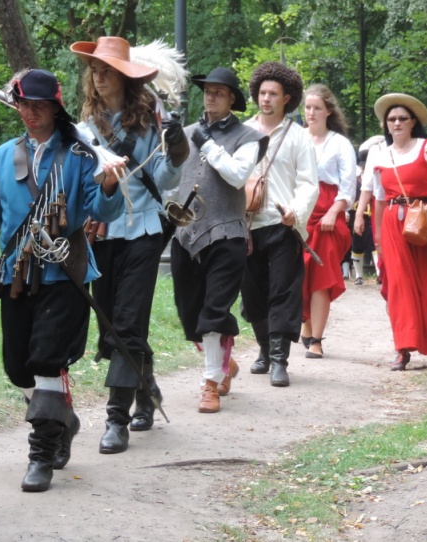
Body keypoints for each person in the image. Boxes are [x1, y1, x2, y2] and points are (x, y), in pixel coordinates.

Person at [0, 68, 124, 492]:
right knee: (15, 367)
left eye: (39, 105)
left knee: (46, 359)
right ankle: (60, 416)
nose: (30, 112)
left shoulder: (81, 156)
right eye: (23, 104)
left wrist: (112, 184)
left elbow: (105, 211)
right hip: (15, 272)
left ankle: (41, 454)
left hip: (66, 272)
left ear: (55, 108)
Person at [70, 36, 188, 450]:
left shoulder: (150, 124)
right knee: (110, 329)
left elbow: (166, 181)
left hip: (143, 232)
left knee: (127, 322)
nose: (99, 78)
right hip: (101, 234)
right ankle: (147, 389)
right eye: (95, 71)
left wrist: (175, 152)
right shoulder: (84, 130)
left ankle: (116, 418)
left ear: (123, 76)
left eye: (106, 71)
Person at [171, 67, 267, 413]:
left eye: (218, 92)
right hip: (185, 234)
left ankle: (210, 383)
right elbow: (169, 179)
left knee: (213, 311)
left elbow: (238, 175)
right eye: (207, 91)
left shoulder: (249, 137)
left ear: (231, 100)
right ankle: (223, 361)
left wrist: (208, 145)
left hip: (227, 233)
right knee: (189, 314)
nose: (210, 96)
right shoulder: (185, 133)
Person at [361, 93, 427, 370]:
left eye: (401, 119)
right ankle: (403, 348)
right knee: (399, 285)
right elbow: (377, 195)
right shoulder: (379, 153)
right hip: (394, 221)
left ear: (412, 121)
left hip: (425, 220)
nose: (396, 123)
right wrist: (374, 233)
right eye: (391, 119)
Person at [241, 62, 318, 386]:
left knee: (283, 293)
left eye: (273, 93)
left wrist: (296, 213)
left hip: (283, 224)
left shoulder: (299, 136)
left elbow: (308, 183)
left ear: (287, 98)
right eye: (262, 92)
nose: (266, 99)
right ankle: (262, 347)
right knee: (253, 293)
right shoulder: (241, 132)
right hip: (246, 226)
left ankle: (279, 359)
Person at [298, 84, 354, 359]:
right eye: (307, 107)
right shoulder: (296, 137)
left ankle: (317, 339)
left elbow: (347, 186)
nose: (311, 112)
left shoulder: (340, 143)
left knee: (320, 277)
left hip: (329, 214)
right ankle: (306, 329)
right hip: (300, 213)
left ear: (328, 111)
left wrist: (334, 211)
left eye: (317, 108)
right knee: (300, 274)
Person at [350, 136, 385, 286]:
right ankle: (359, 275)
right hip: (361, 214)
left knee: (376, 243)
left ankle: (380, 273)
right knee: (358, 243)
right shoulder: (356, 177)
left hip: (378, 211)